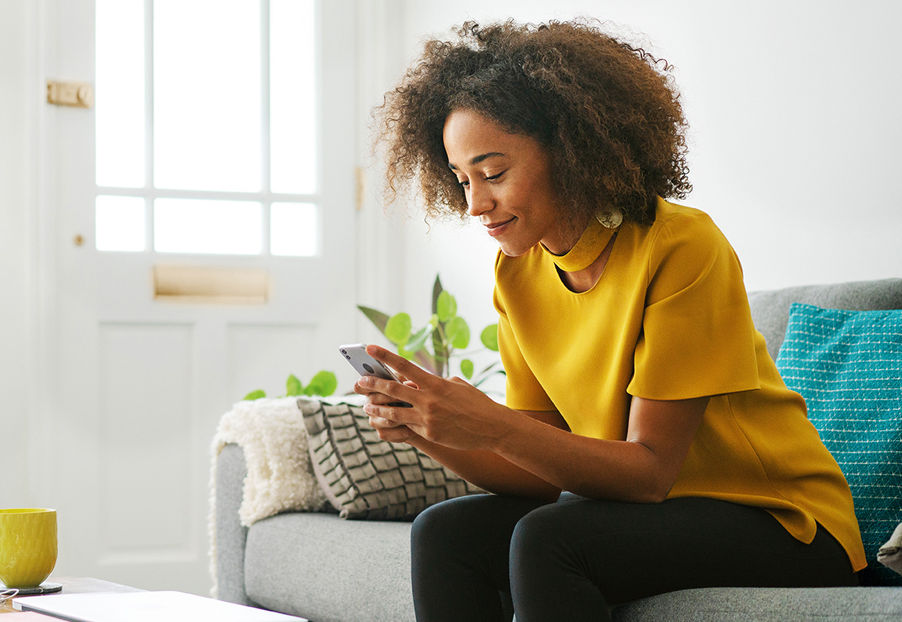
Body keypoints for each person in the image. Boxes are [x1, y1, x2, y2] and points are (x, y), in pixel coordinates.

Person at [353, 19, 864, 622]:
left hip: (784, 521)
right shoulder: (517, 274)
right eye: (463, 180)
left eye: (493, 174)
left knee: (548, 539)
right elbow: (537, 476)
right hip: (657, 515)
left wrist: (491, 423)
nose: (475, 204)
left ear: (569, 151)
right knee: (445, 532)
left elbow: (649, 472)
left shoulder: (680, 246)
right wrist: (427, 429)